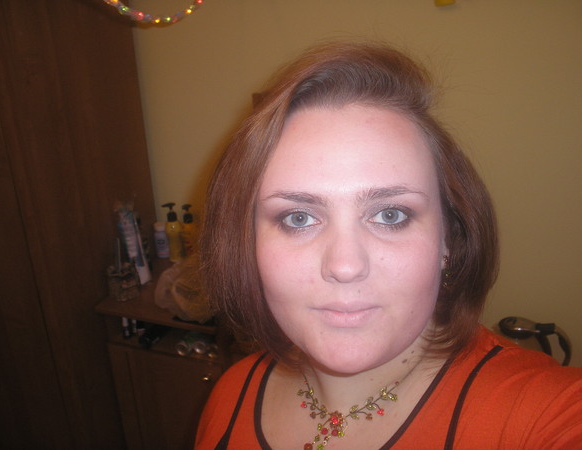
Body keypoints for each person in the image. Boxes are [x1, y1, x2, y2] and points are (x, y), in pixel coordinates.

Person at [195, 42, 582, 449]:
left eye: (390, 215)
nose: (345, 266)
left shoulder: (545, 413)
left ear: (449, 237)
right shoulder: (230, 395)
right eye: (299, 218)